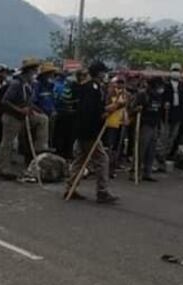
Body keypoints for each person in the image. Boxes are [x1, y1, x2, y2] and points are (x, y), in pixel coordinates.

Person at [65, 61, 118, 203]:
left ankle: (71, 187)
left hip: (83, 129)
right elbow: (90, 111)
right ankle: (102, 191)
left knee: (80, 160)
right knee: (102, 160)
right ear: (98, 73)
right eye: (103, 72)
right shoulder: (92, 88)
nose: (105, 74)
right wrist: (106, 111)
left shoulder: (91, 87)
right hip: (89, 130)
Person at [0, 58, 49, 180]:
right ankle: (2, 167)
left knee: (42, 119)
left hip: (23, 116)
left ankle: (40, 147)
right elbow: (5, 101)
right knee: (7, 142)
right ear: (28, 71)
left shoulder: (29, 85)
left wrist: (37, 109)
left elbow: (27, 101)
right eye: (34, 70)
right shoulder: (16, 84)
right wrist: (19, 110)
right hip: (11, 116)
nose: (35, 73)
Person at [132, 77, 166, 183]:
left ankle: (148, 172)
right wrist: (137, 109)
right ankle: (135, 172)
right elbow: (131, 108)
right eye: (159, 85)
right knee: (141, 149)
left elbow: (160, 111)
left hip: (154, 124)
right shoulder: (142, 95)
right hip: (144, 125)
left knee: (151, 150)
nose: (161, 88)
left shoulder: (159, 96)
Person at [155, 63, 183, 170]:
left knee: (172, 138)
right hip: (166, 114)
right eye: (174, 70)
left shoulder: (182, 86)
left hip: (177, 115)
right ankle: (158, 159)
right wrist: (164, 104)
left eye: (178, 70)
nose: (176, 72)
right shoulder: (165, 84)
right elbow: (159, 97)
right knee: (163, 137)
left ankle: (164, 158)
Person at [104, 77, 129, 175]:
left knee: (118, 146)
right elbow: (107, 107)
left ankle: (114, 166)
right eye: (118, 83)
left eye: (122, 83)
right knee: (110, 144)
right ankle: (107, 167)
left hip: (121, 122)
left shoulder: (126, 94)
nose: (120, 86)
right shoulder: (110, 93)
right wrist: (117, 104)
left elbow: (127, 107)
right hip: (111, 122)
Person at [53, 70, 79, 161]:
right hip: (66, 112)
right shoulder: (64, 86)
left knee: (60, 134)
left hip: (61, 112)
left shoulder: (56, 85)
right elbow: (65, 100)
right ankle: (66, 153)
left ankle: (62, 152)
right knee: (67, 135)